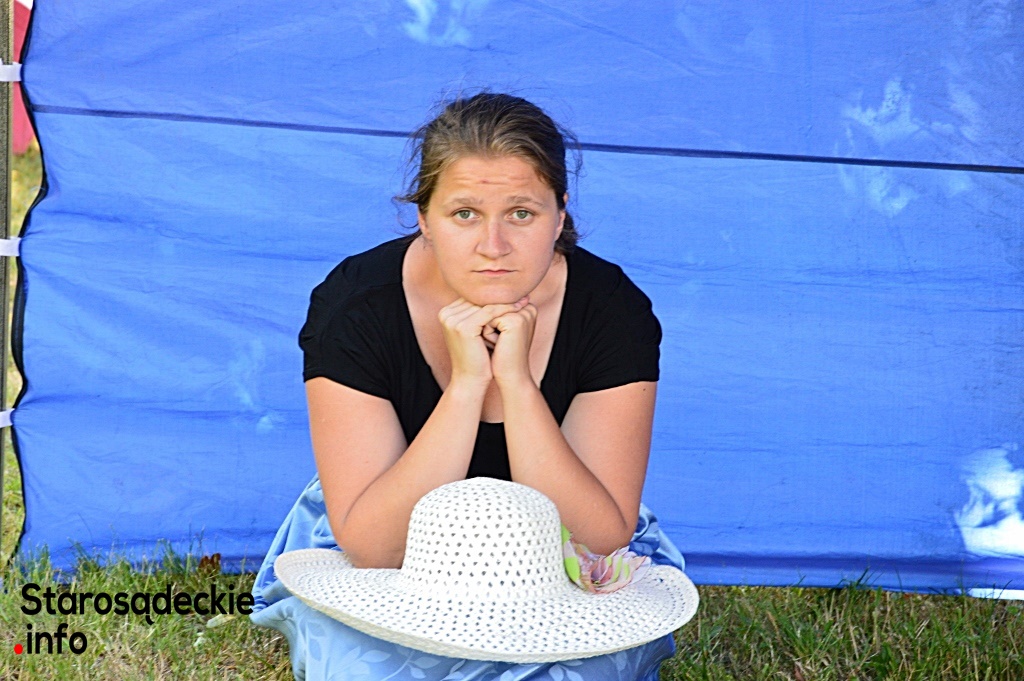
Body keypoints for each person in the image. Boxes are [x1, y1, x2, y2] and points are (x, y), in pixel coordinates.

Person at [250, 92, 686, 680]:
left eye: (522, 213)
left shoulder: (611, 311)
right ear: (423, 218)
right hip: (389, 527)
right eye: (464, 214)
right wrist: (466, 386)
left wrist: (517, 383)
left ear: (560, 216)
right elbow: (374, 546)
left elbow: (598, 536)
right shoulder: (356, 306)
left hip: (553, 549)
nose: (493, 246)